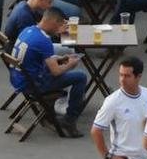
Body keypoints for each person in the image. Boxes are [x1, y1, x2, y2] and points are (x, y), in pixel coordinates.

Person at [9, 7, 88, 136]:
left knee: (63, 69)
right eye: (59, 25)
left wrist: (60, 59)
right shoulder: (43, 40)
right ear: (53, 22)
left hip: (18, 79)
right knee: (80, 77)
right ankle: (70, 120)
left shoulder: (28, 30)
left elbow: (38, 58)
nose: (59, 30)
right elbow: (56, 72)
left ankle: (50, 113)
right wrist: (71, 64)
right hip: (34, 85)